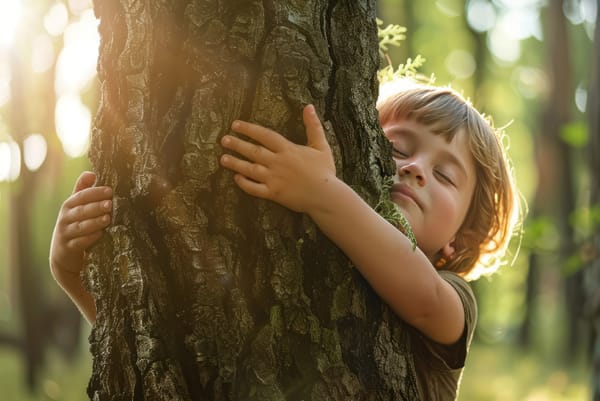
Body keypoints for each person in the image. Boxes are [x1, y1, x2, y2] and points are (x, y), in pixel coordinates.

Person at [50, 81, 520, 400]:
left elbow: (420, 295)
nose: (416, 168)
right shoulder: (314, 243)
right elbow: (159, 349)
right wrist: (70, 271)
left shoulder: (452, 298)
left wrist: (320, 193)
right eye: (398, 147)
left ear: (459, 241)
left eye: (443, 174)